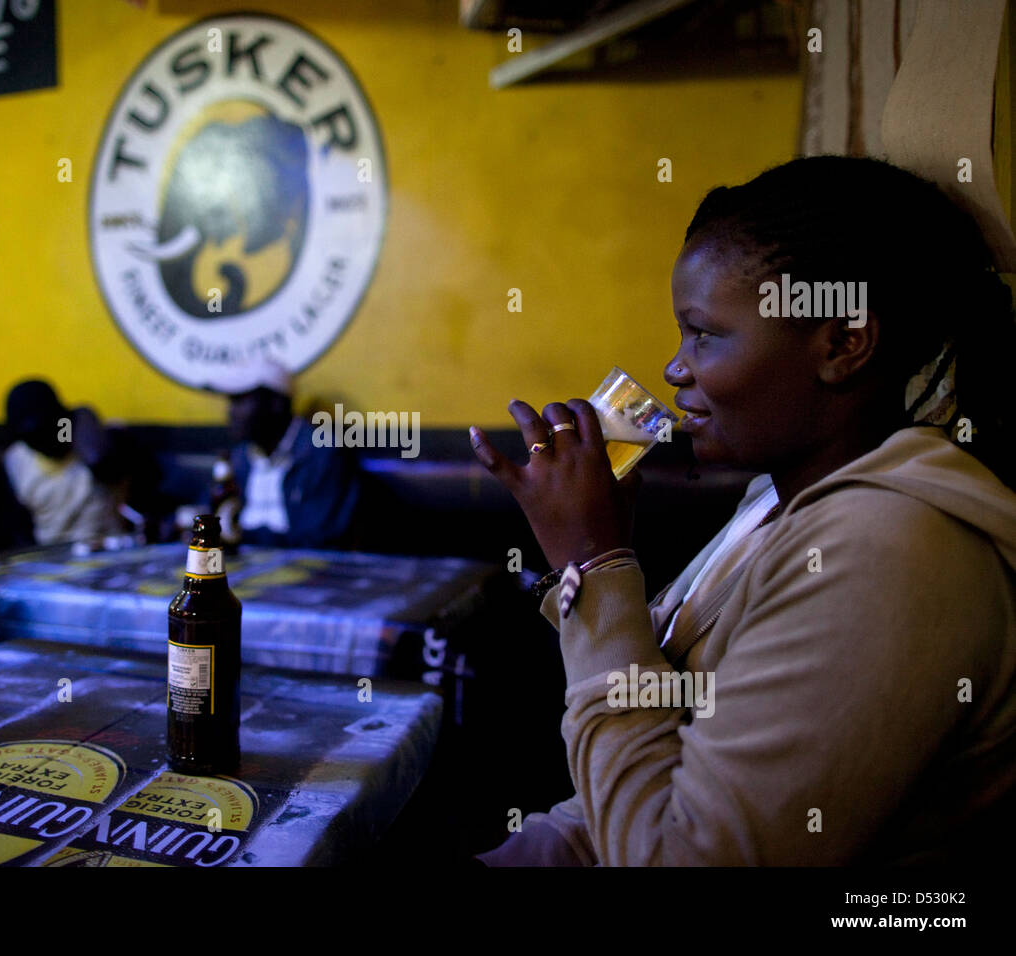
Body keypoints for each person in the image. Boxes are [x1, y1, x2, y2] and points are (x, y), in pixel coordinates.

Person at [469, 155, 1016, 866]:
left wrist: (595, 565)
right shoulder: (774, 506)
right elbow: (638, 781)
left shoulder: (891, 551)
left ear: (844, 342)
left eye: (705, 334)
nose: (675, 369)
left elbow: (678, 857)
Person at [214, 362, 360, 548]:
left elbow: (320, 537)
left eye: (240, 400)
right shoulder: (240, 456)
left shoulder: (323, 453)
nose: (230, 411)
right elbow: (215, 510)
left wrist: (241, 536)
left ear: (276, 404)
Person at [2, 380, 125, 545]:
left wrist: (83, 416)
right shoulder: (18, 459)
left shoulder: (81, 439)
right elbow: (18, 526)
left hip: (101, 548)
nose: (39, 438)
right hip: (50, 555)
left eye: (44, 428)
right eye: (31, 435)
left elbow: (101, 461)